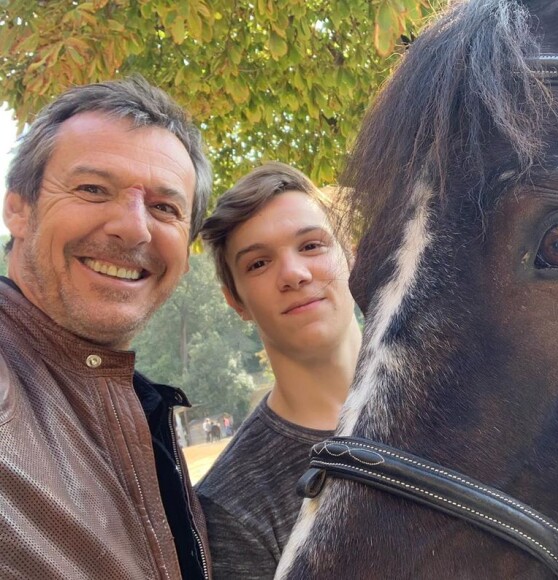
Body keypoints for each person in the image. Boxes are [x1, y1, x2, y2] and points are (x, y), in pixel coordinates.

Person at [0, 77, 213, 580]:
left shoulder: (145, 411)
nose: (134, 227)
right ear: (18, 210)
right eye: (93, 189)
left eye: (165, 208)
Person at [196, 162, 362, 579]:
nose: (293, 274)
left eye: (311, 246)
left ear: (353, 255)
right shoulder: (232, 503)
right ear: (236, 302)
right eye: (258, 264)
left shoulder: (464, 396)